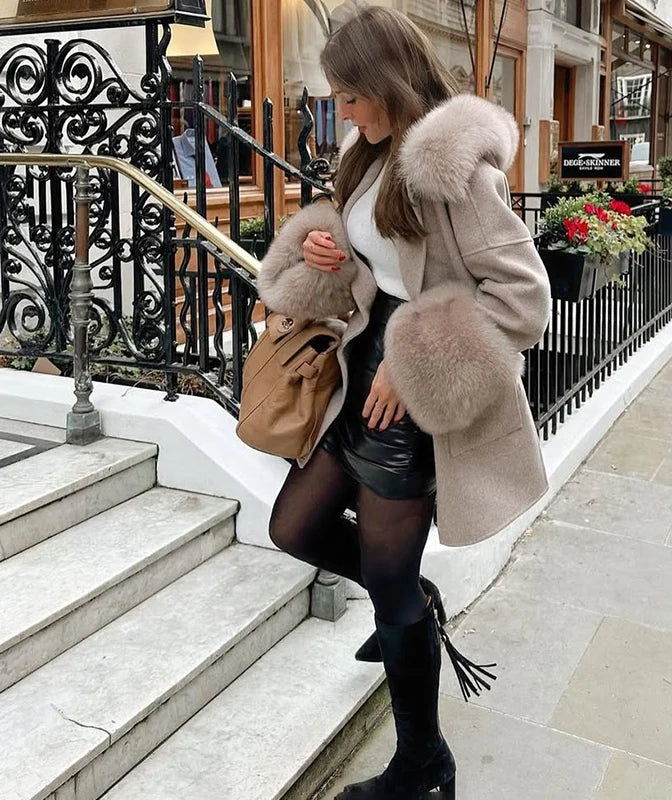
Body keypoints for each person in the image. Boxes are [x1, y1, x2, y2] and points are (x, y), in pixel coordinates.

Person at [257, 7, 551, 799]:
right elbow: (377, 263)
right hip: (363, 371)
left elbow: (525, 299)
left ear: (387, 83)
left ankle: (423, 762)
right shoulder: (366, 154)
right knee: (295, 527)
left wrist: (413, 361)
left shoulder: (456, 171)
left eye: (351, 96)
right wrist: (327, 248)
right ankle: (417, 602)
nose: (341, 112)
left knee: (387, 591)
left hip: (416, 392)